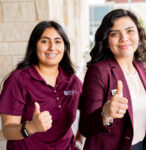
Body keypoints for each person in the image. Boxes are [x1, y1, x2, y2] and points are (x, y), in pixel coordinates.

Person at [0, 21, 84, 150]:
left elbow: (89, 113)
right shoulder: (18, 80)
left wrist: (79, 139)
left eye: (58, 41)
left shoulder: (72, 81)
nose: (52, 47)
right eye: (44, 41)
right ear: (34, 46)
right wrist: (31, 127)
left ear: (65, 47)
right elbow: (7, 131)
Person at [79, 9, 146, 150]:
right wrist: (106, 113)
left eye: (130, 31)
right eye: (114, 34)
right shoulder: (98, 71)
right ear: (106, 41)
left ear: (139, 35)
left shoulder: (142, 68)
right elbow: (85, 127)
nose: (124, 38)